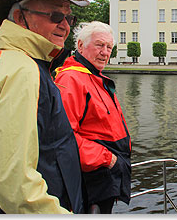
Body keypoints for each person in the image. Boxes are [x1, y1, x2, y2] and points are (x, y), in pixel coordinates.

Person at [0, 0, 89, 213]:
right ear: (21, 18)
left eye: (68, 17)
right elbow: (18, 187)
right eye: (56, 15)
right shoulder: (22, 70)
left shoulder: (11, 61)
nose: (65, 25)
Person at [54, 21, 131, 214]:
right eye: (99, 45)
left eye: (109, 47)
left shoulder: (92, 76)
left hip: (104, 177)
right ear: (80, 45)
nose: (105, 52)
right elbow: (63, 137)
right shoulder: (71, 79)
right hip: (92, 179)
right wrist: (108, 159)